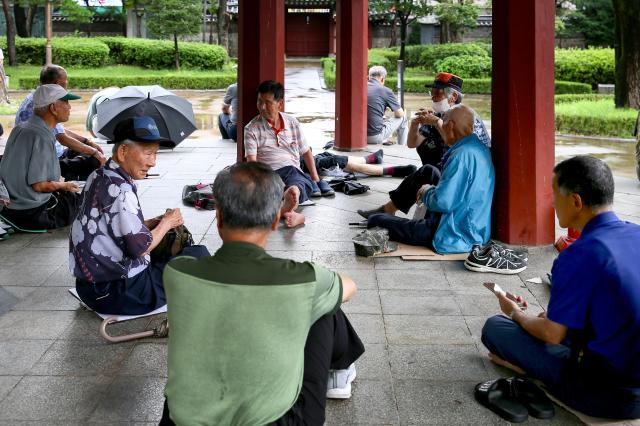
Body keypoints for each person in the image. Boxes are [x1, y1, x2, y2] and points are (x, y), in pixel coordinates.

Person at [160, 161, 365, 425]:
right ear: (275, 221)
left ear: (218, 217)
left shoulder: (178, 273)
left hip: (181, 421)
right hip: (279, 421)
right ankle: (339, 371)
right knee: (324, 309)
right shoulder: (301, 279)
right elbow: (350, 287)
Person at [481, 156, 640, 420]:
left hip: (606, 395)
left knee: (497, 327)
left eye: (555, 195)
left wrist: (516, 314)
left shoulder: (578, 254)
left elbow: (552, 335)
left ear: (576, 201)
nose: (552, 203)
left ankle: (531, 370)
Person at [69, 116, 210, 315]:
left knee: (173, 252)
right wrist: (167, 223)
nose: (153, 162)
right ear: (123, 151)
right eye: (148, 153)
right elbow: (140, 248)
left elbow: (111, 228)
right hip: (120, 293)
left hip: (89, 289)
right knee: (199, 255)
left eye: (155, 154)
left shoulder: (98, 175)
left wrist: (154, 222)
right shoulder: (122, 189)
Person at [365, 105, 494, 254]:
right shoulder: (477, 146)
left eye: (443, 121)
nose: (441, 125)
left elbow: (444, 202)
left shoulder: (460, 156)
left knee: (376, 220)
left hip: (453, 233)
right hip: (472, 224)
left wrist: (426, 192)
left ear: (451, 125)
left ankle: (390, 217)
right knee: (429, 170)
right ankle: (390, 209)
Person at [244, 80, 332, 228]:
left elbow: (305, 151)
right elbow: (252, 163)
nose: (262, 107)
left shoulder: (292, 122)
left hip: (292, 172)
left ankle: (289, 201)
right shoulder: (251, 129)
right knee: (291, 185)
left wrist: (316, 178)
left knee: (300, 181)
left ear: (280, 104)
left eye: (268, 102)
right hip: (269, 175)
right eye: (259, 102)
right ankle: (291, 207)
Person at [0, 84, 83, 230]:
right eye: (65, 102)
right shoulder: (42, 136)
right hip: (30, 210)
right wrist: (64, 185)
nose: (69, 107)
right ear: (53, 108)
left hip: (10, 205)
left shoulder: (21, 128)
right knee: (80, 200)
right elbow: (40, 185)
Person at [15, 64, 106, 180]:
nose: (69, 107)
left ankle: (69, 179)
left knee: (87, 153)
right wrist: (94, 152)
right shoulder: (45, 102)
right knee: (94, 160)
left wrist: (87, 141)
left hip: (53, 154)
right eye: (66, 102)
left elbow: (59, 130)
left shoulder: (37, 96)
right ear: (58, 84)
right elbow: (62, 137)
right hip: (46, 161)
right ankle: (68, 181)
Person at [408, 72, 490, 168]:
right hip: (441, 169)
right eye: (432, 92)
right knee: (426, 146)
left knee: (426, 171)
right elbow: (412, 143)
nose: (432, 97)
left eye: (437, 92)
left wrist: (437, 122)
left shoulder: (467, 117)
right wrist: (415, 124)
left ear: (453, 96)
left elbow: (461, 148)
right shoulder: (437, 115)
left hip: (467, 169)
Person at [303, 149, 417, 178]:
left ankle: (370, 159)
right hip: (301, 164)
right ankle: (392, 171)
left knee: (326, 154)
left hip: (302, 159)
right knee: (335, 161)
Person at [367, 65, 407, 145]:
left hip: (357, 136)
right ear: (382, 78)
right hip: (373, 137)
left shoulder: (360, 87)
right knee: (403, 118)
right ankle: (401, 148)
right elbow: (399, 114)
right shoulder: (385, 90)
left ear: (369, 77)